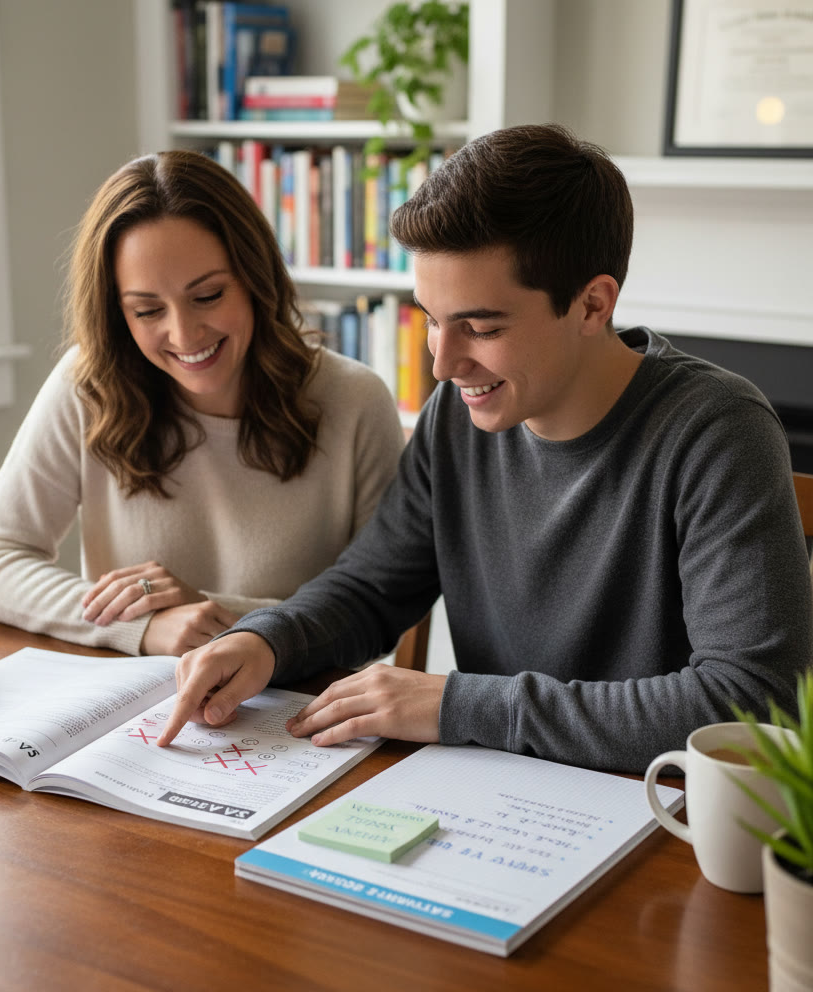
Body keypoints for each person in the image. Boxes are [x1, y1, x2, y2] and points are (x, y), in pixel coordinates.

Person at [159, 123, 813, 772]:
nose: (443, 365)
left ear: (591, 306)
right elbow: (370, 588)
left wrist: (459, 706)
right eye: (432, 321)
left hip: (659, 817)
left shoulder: (717, 431)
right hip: (495, 792)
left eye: (480, 326)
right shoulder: (457, 416)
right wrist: (263, 641)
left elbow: (750, 701)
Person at [0, 150, 404, 657]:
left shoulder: (354, 402)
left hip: (295, 708)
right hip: (131, 706)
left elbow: (379, 611)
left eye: (209, 296)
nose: (184, 334)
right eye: (147, 310)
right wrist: (145, 626)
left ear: (255, 278)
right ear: (117, 314)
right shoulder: (89, 385)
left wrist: (212, 615)